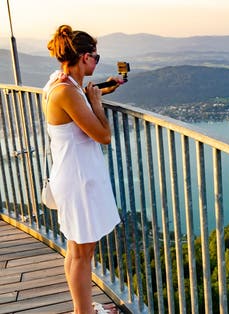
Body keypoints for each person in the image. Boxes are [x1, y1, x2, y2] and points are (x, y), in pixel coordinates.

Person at [43, 25, 124, 314]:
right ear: (84, 57)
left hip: (72, 176)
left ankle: (84, 308)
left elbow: (81, 96)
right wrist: (98, 104)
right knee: (81, 254)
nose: (96, 61)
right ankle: (83, 313)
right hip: (78, 180)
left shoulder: (59, 82)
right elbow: (102, 135)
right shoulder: (66, 91)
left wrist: (103, 87)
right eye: (96, 57)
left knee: (76, 249)